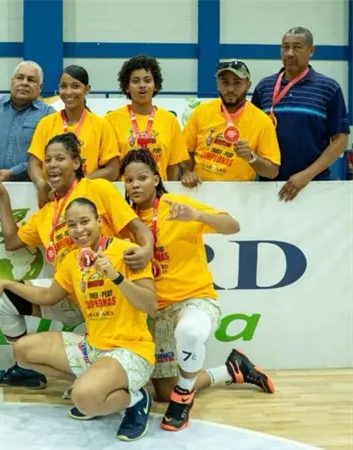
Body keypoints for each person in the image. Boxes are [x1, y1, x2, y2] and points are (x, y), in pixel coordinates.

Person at [0, 132, 153, 388]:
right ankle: (25, 368)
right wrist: (3, 196)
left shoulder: (97, 188)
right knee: (1, 299)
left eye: (60, 158)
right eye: (47, 160)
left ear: (76, 163)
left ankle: (103, 380)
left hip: (104, 292)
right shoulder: (47, 212)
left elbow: (138, 228)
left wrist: (147, 249)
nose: (51, 165)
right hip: (67, 293)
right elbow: (12, 241)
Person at [120, 149, 275, 431]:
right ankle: (230, 369)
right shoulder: (124, 220)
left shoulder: (177, 205)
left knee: (189, 334)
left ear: (156, 179)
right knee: (162, 391)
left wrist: (198, 215)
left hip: (193, 300)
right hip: (153, 310)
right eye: (129, 180)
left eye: (142, 177)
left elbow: (233, 225)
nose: (135, 185)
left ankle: (183, 401)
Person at [0, 198, 157, 441]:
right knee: (23, 352)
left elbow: (150, 304)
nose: (79, 230)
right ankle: (95, 386)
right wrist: (8, 284)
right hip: (92, 347)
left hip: (130, 350)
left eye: (85, 222)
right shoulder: (72, 260)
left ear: (99, 222)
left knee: (84, 399)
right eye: (72, 225)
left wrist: (116, 277)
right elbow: (47, 296)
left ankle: (136, 399)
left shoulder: (125, 251)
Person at [251, 26, 349, 200]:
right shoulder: (264, 87)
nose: (289, 53)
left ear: (311, 50)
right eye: (285, 47)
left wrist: (306, 175)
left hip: (314, 185)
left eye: (297, 47)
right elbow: (252, 134)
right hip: (268, 187)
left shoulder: (328, 88)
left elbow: (340, 141)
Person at [28, 65, 120, 208]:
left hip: (88, 200)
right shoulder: (46, 124)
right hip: (53, 200)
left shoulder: (101, 125)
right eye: (63, 86)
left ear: (87, 89)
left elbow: (113, 170)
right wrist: (41, 183)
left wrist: (78, 184)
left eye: (75, 86)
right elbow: (34, 163)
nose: (69, 92)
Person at [181, 60, 281, 187]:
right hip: (200, 192)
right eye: (225, 82)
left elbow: (272, 172)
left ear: (248, 84)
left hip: (240, 197)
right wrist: (187, 172)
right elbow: (184, 151)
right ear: (218, 84)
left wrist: (251, 157)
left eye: (237, 83)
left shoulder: (262, 121)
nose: (230, 89)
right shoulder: (201, 112)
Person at [105, 55, 188, 181]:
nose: (142, 85)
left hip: (159, 194)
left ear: (156, 85)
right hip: (124, 193)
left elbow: (173, 167)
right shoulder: (111, 120)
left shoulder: (169, 120)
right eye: (135, 81)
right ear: (126, 87)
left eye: (147, 80)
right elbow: (110, 167)